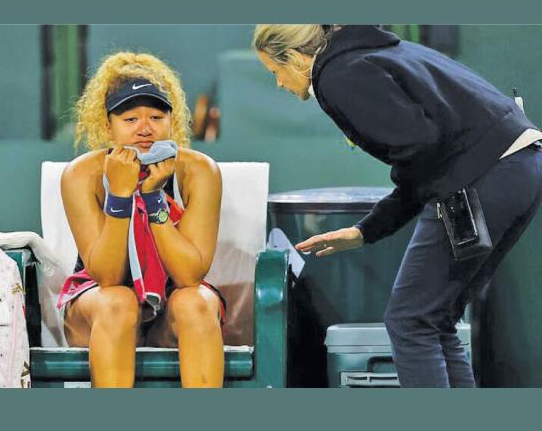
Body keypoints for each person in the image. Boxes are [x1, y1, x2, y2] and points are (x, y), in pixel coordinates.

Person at [253, 24, 542, 387]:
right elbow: (423, 152)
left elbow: (420, 149)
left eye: (274, 72)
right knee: (436, 319)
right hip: (521, 165)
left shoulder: (336, 74)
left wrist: (372, 226)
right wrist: (365, 231)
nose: (279, 83)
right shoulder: (379, 52)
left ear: (294, 57)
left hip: (482, 175)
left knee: (410, 321)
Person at [58, 51, 225, 388]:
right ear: (108, 125)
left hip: (172, 304)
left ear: (171, 121)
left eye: (155, 117)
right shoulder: (82, 174)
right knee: (118, 302)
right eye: (130, 119)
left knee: (196, 301)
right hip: (102, 307)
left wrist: (152, 198)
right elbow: (107, 276)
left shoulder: (199, 171)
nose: (144, 129)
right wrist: (119, 197)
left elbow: (189, 274)